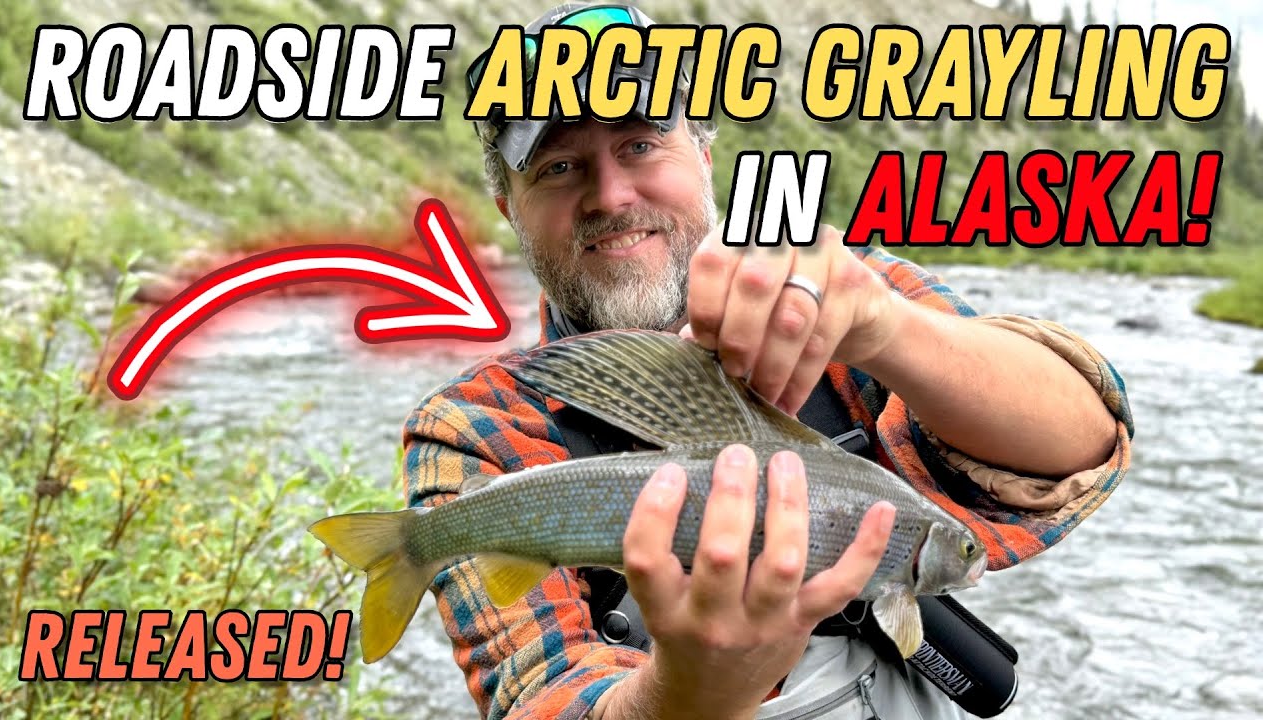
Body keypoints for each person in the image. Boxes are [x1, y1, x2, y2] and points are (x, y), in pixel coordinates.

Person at [402, 4, 1134, 719]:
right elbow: (538, 694)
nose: (613, 195)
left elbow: (1082, 448)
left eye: (641, 145)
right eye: (559, 166)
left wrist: (885, 330)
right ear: (507, 207)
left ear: (705, 152)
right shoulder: (476, 426)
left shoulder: (845, 293)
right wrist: (692, 695)